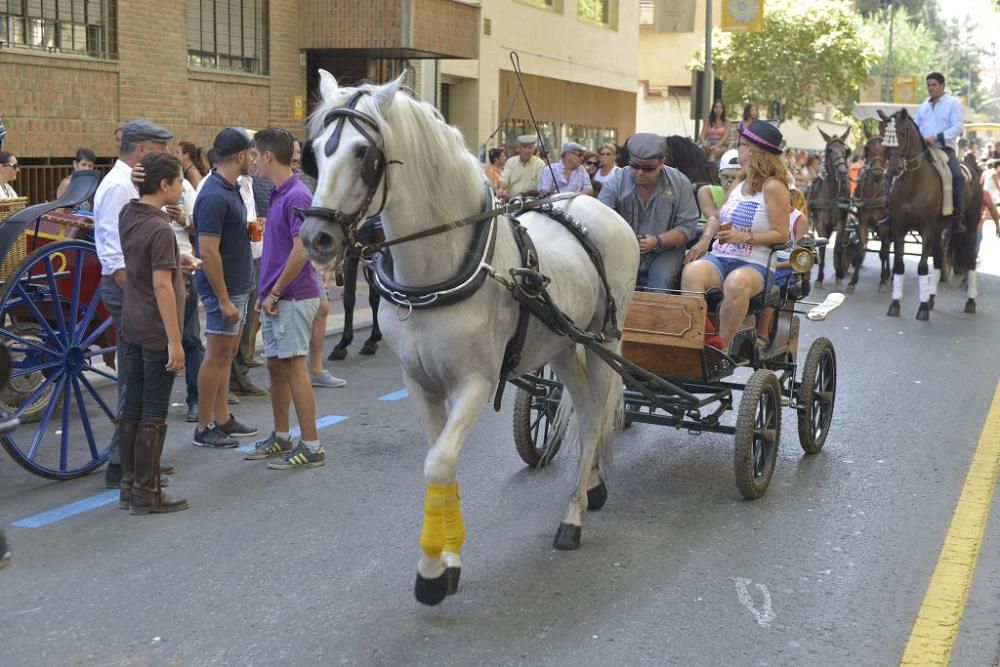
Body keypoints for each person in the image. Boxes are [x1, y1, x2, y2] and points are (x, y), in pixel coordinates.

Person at [94, 120, 180, 488]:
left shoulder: (134, 193)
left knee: (138, 377)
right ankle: (126, 465)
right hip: (132, 288)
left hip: (138, 287)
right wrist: (143, 294)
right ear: (144, 150)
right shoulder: (118, 187)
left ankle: (137, 463)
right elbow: (116, 255)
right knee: (139, 379)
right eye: (162, 149)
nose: (168, 155)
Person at [243, 128, 326, 469]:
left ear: (268, 156)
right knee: (277, 367)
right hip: (277, 295)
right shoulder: (280, 193)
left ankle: (311, 445)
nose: (252, 162)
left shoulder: (296, 195)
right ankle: (281, 436)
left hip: (291, 294)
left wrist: (275, 291)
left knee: (293, 366)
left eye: (255, 156)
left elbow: (301, 250)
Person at [117, 152, 190, 514]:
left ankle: (129, 484)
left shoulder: (129, 213)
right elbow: (162, 287)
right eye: (178, 181)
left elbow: (147, 266)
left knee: (132, 404)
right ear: (164, 185)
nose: (181, 186)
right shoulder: (161, 229)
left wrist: (178, 262)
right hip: (155, 326)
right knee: (155, 409)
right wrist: (174, 341)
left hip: (131, 321)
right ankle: (149, 490)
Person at [680, 119, 791, 349]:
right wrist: (703, 242)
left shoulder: (774, 186)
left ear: (753, 151)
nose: (737, 148)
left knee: (736, 282)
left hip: (755, 264)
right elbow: (716, 218)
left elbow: (782, 234)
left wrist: (745, 237)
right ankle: (695, 341)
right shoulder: (740, 181)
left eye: (740, 144)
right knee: (691, 272)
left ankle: (721, 348)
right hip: (720, 257)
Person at [192, 128, 259, 448]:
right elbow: (207, 251)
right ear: (240, 156)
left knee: (226, 354)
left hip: (237, 285)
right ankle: (204, 426)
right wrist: (222, 299)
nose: (254, 158)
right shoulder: (214, 194)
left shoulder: (229, 188)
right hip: (225, 290)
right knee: (216, 356)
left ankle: (222, 418)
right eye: (251, 152)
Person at [598, 133, 699, 290]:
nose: (640, 172)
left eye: (648, 168)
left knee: (662, 280)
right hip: (624, 249)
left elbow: (687, 227)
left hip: (665, 251)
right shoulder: (616, 182)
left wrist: (657, 241)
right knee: (612, 284)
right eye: (635, 166)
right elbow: (601, 218)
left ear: (661, 162)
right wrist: (625, 241)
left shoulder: (680, 183)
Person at [915, 72, 965, 229]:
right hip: (922, 151)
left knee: (957, 176)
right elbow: (916, 125)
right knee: (895, 172)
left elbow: (958, 127)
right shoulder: (923, 105)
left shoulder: (953, 103)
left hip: (944, 149)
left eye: (934, 85)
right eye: (928, 85)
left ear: (943, 85)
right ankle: (890, 211)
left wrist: (937, 137)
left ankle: (958, 215)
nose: (930, 88)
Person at [686, 149, 741, 265]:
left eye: (735, 178)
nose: (729, 182)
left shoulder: (748, 197)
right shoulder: (706, 191)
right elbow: (717, 221)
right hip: (710, 239)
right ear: (719, 175)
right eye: (725, 177)